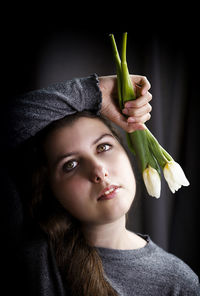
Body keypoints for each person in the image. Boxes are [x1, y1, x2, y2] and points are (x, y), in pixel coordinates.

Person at [3, 74, 199, 295]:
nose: (98, 171)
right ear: (50, 189)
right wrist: (97, 92)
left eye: (103, 147)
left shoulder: (177, 281)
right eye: (71, 164)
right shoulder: (33, 258)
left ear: (126, 153)